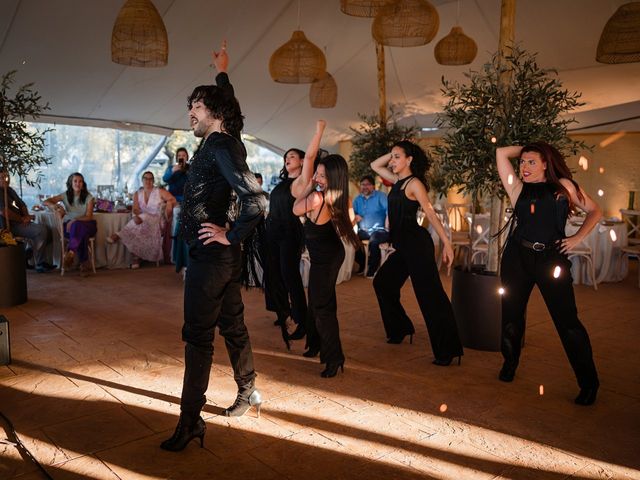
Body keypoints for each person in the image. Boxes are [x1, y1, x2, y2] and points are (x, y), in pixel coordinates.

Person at [161, 42, 266, 452]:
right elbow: (232, 108)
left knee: (199, 336)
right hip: (220, 258)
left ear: (216, 113)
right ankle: (248, 390)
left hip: (213, 256)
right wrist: (222, 72)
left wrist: (231, 233)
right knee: (232, 325)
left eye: (198, 107)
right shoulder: (227, 136)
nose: (190, 112)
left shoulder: (221, 145)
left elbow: (257, 200)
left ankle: (190, 422)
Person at [495, 143, 600, 405]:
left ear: (545, 163)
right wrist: (531, 148)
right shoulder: (516, 187)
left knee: (567, 321)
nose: (524, 167)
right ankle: (510, 362)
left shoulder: (563, 185)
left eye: (532, 162)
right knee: (511, 315)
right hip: (517, 258)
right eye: (522, 162)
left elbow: (595, 211)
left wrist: (577, 237)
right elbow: (500, 153)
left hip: (551, 259)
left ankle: (588, 382)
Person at [371, 141, 463, 366]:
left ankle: (448, 350)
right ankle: (400, 328)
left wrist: (447, 244)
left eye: (397, 157)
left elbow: (430, 214)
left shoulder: (414, 184)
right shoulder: (397, 181)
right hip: (403, 247)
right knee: (383, 283)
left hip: (417, 245)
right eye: (391, 157)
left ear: (409, 160)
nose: (391, 161)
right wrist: (394, 151)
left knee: (430, 297)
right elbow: (375, 165)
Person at [292, 120, 361, 378]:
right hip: (329, 255)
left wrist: (309, 186)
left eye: (321, 175)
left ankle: (334, 358)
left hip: (326, 258)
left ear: (332, 178)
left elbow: (295, 208)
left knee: (322, 308)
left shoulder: (318, 197)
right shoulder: (333, 195)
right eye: (317, 174)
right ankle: (316, 345)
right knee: (319, 303)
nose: (317, 178)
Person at [263, 149, 308, 349]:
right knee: (274, 274)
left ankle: (303, 321)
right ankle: (283, 311)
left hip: (290, 234)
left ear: (302, 161)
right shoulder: (281, 183)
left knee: (290, 277)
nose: (287, 159)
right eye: (286, 157)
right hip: (273, 233)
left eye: (292, 156)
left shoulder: (301, 183)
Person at [107, 171, 176, 268]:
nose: (148, 181)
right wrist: (136, 216)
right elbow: (135, 209)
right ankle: (136, 257)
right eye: (146, 179)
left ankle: (119, 234)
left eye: (150, 179)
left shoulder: (159, 191)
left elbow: (173, 199)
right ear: (142, 180)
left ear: (153, 181)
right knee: (138, 226)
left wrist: (169, 204)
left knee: (143, 218)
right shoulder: (137, 193)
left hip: (156, 221)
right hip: (142, 220)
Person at [0, 171, 55, 272]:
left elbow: (22, 204)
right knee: (41, 230)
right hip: (9, 226)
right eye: (1, 177)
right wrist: (21, 219)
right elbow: (4, 212)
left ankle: (26, 254)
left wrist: (26, 216)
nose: (5, 180)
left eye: (6, 177)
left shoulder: (10, 190)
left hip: (20, 221)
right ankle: (39, 263)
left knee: (50, 231)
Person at [44, 172, 96, 276]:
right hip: (70, 228)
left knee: (78, 226)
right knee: (81, 232)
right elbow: (46, 201)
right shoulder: (65, 195)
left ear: (83, 184)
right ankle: (84, 263)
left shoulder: (89, 197)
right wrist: (54, 206)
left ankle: (71, 251)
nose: (78, 183)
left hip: (87, 224)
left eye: (80, 181)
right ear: (70, 183)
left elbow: (89, 216)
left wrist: (74, 220)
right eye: (75, 181)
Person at [353, 174, 389, 278]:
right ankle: (363, 263)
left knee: (374, 240)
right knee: (351, 240)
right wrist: (355, 216)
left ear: (373, 186)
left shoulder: (380, 196)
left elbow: (389, 212)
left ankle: (372, 269)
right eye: (362, 184)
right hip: (364, 231)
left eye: (368, 184)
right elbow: (351, 214)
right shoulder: (357, 200)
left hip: (380, 230)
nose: (365, 187)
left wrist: (387, 226)